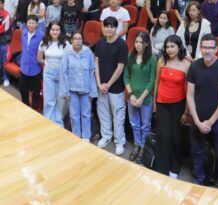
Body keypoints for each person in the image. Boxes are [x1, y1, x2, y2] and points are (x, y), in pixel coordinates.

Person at [186, 34, 218, 190]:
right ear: (200, 48)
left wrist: (210, 122)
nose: (207, 51)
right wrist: (198, 121)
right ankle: (198, 180)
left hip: (217, 120)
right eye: (204, 47)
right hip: (198, 119)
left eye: (211, 48)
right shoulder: (194, 66)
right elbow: (190, 95)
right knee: (197, 152)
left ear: (217, 49)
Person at [154, 35, 192, 178]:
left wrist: (186, 111)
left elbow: (189, 89)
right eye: (167, 47)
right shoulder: (161, 61)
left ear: (179, 47)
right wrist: (154, 104)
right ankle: (161, 169)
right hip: (162, 103)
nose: (169, 50)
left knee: (176, 137)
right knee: (163, 136)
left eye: (172, 46)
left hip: (178, 105)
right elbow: (157, 83)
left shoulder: (186, 64)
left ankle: (174, 168)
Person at [94, 16, 128, 155]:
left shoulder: (121, 44)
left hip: (115, 87)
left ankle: (119, 141)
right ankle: (106, 136)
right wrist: (98, 83)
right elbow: (96, 62)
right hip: (101, 85)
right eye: (106, 26)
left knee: (118, 116)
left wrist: (107, 84)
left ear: (116, 28)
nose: (109, 29)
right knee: (103, 113)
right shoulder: (100, 42)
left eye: (112, 26)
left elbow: (120, 68)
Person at [123, 31, 157, 162]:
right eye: (136, 42)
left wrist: (142, 98)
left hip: (145, 97)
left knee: (145, 125)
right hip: (132, 96)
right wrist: (130, 94)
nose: (138, 45)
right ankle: (137, 145)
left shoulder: (152, 58)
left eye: (141, 42)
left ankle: (144, 147)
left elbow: (152, 81)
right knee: (134, 123)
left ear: (147, 43)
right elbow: (126, 76)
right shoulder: (130, 55)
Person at [60, 31, 97, 141]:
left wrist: (92, 91)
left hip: (86, 90)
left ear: (82, 40)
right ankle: (76, 137)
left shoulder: (88, 52)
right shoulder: (67, 52)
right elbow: (64, 73)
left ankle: (86, 137)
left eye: (79, 38)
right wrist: (65, 92)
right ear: (71, 40)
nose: (77, 41)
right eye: (75, 38)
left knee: (86, 115)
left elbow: (92, 72)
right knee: (74, 116)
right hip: (72, 90)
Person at [19, 16, 44, 109]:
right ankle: (26, 106)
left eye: (33, 23)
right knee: (22, 89)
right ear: (26, 23)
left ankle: (33, 109)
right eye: (29, 22)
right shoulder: (23, 33)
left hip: (35, 68)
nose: (31, 25)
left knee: (36, 92)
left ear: (37, 24)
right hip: (24, 66)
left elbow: (43, 49)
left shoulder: (41, 35)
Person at [0, 0, 11, 87]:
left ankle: (6, 78)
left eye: (1, 3)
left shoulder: (6, 14)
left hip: (3, 40)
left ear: (3, 4)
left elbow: (4, 28)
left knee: (4, 60)